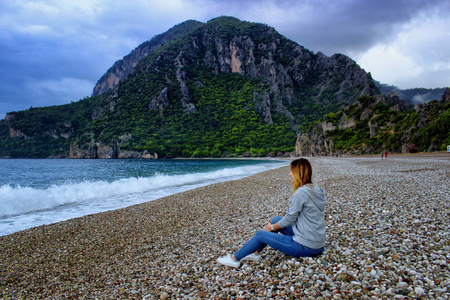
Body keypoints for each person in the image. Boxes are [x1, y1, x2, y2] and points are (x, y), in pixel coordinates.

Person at [217, 158, 327, 268]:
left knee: (261, 234)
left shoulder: (301, 193)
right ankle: (255, 253)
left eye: (291, 172)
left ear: (298, 173)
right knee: (275, 219)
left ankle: (234, 259)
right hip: (317, 242)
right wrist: (274, 225)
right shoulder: (315, 189)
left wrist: (272, 227)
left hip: (306, 247)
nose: (289, 175)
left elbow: (290, 218)